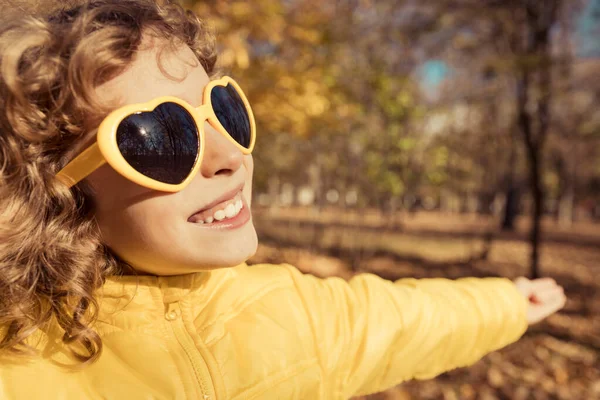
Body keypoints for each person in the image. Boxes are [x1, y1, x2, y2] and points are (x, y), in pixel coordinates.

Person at [0, 1, 566, 399]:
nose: (228, 156)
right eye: (162, 136)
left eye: (223, 110)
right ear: (58, 191)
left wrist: (510, 303)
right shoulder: (18, 365)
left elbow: (403, 322)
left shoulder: (285, 315)